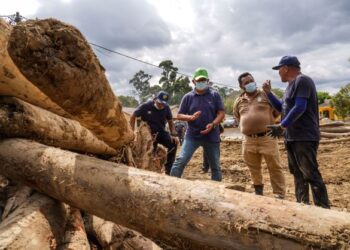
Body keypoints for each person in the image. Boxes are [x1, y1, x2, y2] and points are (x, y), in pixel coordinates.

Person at [263, 55, 330, 208]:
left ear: (285, 68)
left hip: (304, 136)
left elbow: (300, 107)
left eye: (279, 69)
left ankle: (324, 210)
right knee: (298, 174)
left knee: (310, 173)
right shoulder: (290, 86)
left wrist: (282, 126)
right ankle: (302, 206)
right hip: (292, 137)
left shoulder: (303, 80)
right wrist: (268, 93)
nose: (278, 73)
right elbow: (282, 108)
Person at [233, 72, 286, 198]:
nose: (250, 83)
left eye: (251, 80)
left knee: (275, 167)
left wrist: (267, 121)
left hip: (267, 138)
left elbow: (279, 110)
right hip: (248, 140)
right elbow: (237, 116)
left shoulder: (266, 95)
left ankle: (279, 194)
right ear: (241, 86)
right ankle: (258, 192)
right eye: (246, 82)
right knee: (253, 168)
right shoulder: (239, 101)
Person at [170, 68, 225, 181]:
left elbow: (221, 113)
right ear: (193, 81)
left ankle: (217, 193)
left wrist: (213, 124)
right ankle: (172, 185)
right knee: (180, 161)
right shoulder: (188, 97)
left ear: (208, 81)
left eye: (203, 80)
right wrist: (190, 117)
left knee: (215, 167)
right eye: (199, 80)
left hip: (211, 136)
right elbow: (179, 115)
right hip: (192, 135)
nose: (201, 82)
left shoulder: (215, 95)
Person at [130, 91, 177, 175]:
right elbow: (133, 116)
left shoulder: (166, 107)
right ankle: (148, 169)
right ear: (155, 99)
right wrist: (132, 131)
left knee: (173, 143)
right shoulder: (146, 106)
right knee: (151, 151)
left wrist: (173, 133)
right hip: (148, 134)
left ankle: (168, 169)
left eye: (163, 103)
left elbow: (170, 121)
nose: (161, 105)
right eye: (160, 103)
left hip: (161, 132)